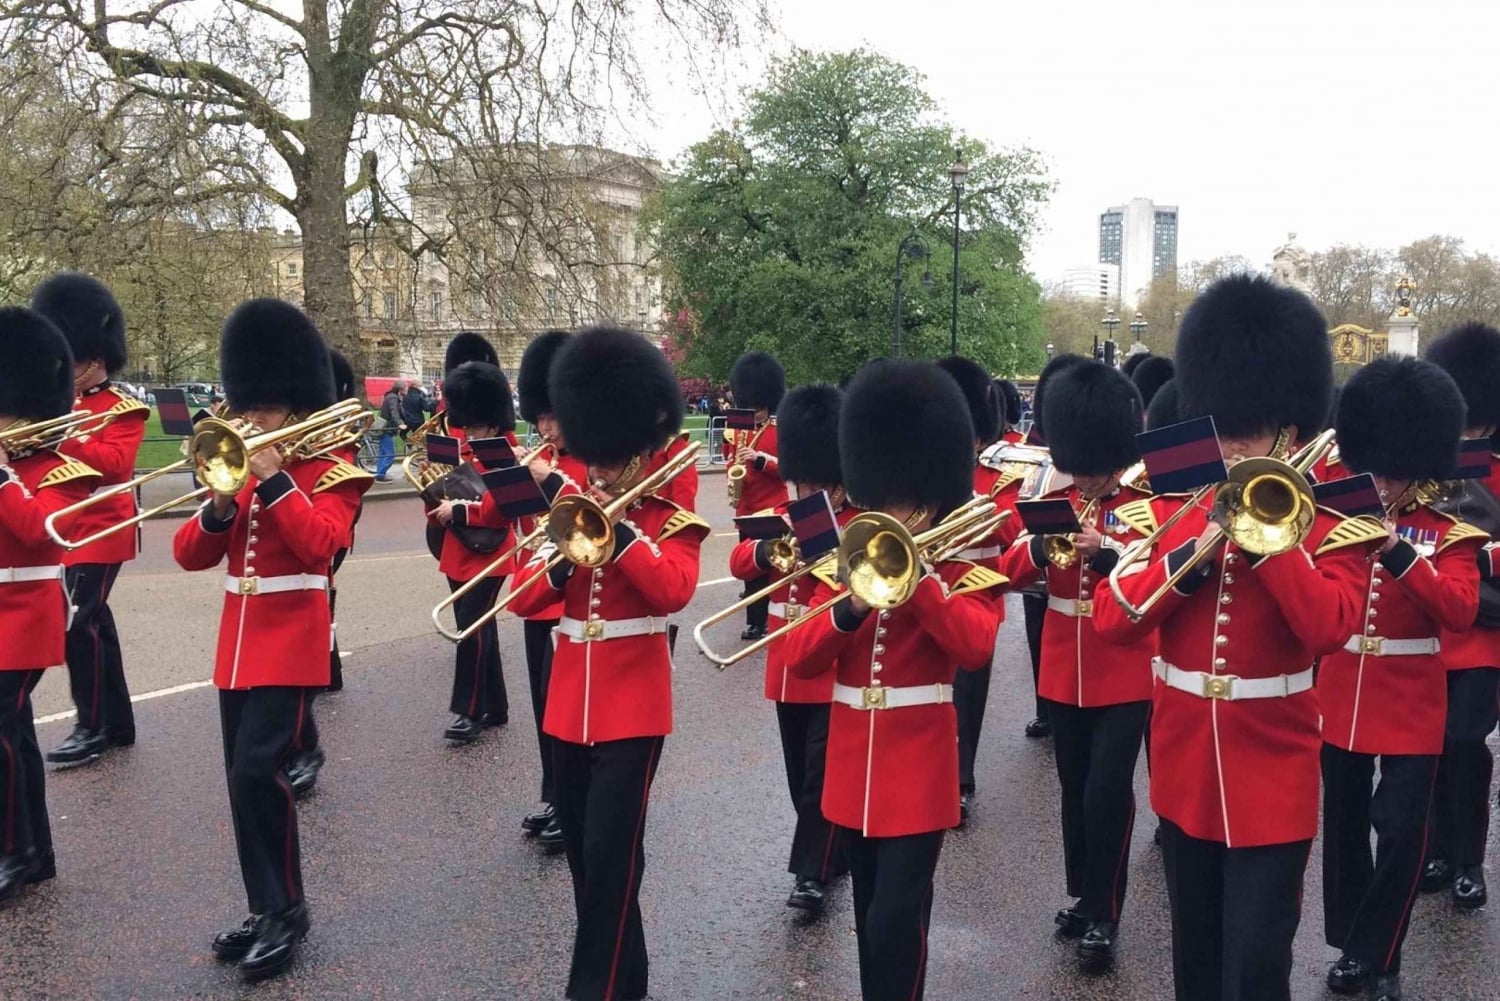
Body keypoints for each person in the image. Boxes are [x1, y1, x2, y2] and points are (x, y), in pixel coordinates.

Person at [1094, 274, 1385, 1001]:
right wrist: (1195, 553)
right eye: (1223, 428)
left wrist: (1268, 546)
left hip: (1274, 769)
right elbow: (1112, 617)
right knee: (1196, 964)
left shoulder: (1334, 515)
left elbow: (1328, 625)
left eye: (1249, 431)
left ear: (1289, 429)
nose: (1233, 446)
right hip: (1187, 765)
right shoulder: (1175, 508)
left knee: (1256, 967)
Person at [781, 359, 1005, 1001]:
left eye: (896, 503)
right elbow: (799, 655)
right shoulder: (848, 559)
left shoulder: (963, 559)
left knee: (898, 921)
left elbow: (974, 646)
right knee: (869, 920)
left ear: (929, 500)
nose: (882, 513)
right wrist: (848, 610)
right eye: (875, 499)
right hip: (853, 763)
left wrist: (923, 586)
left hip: (918, 762)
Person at [509, 325, 709, 1001]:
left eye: (604, 457)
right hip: (568, 702)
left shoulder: (668, 506)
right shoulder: (570, 503)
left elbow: (675, 588)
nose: (593, 468)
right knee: (592, 870)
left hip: (634, 702)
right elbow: (519, 595)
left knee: (612, 858)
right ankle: (630, 982)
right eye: (589, 455)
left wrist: (620, 536)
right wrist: (565, 554)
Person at [172, 299, 369, 980]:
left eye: (260, 407)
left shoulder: (337, 466)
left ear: (290, 405)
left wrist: (276, 476)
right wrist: (221, 504)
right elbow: (188, 555)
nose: (247, 417)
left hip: (292, 640)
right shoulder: (234, 464)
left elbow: (321, 547)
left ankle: (289, 909)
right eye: (245, 404)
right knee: (240, 780)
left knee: (261, 769)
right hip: (238, 645)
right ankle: (265, 905)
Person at [1319, 356, 1479, 1001]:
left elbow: (1460, 610)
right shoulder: (1333, 513)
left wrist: (1399, 551)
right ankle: (1352, 946)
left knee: (1404, 832)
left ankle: (1381, 951)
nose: (1382, 482)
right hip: (1342, 685)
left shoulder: (1450, 529)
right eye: (1375, 468)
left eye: (1393, 471)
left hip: (1413, 693)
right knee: (1345, 829)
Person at [998, 360, 1155, 971]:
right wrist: (1038, 548)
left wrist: (1109, 552)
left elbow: (1156, 569)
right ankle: (1085, 895)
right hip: (1065, 661)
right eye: (1079, 462)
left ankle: (1107, 910)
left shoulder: (1144, 506)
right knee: (1072, 788)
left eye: (1095, 463)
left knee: (1107, 790)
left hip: (1124, 663)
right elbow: (1010, 567)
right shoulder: (1052, 499)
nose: (1086, 474)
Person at [727, 383, 855, 915]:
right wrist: (767, 548)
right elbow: (738, 562)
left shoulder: (856, 521)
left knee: (818, 771)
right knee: (795, 768)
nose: (802, 487)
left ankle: (812, 872)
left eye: (812, 479)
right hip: (787, 657)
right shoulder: (787, 512)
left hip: (831, 657)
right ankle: (831, 851)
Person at [0, 307, 102, 902]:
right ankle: (31, 850)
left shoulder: (63, 469)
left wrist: (3, 480)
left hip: (26, 610)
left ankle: (16, 850)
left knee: (4, 726)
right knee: (12, 732)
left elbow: (43, 531)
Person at [30, 273, 149, 767]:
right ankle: (118, 722)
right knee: (95, 621)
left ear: (95, 361)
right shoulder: (50, 404)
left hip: (103, 527)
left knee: (76, 623)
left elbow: (115, 466)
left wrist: (65, 436)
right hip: (65, 527)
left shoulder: (123, 408)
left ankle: (91, 724)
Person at [1418, 321, 1500, 911]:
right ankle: (1438, 851)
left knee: (1465, 740)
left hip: (1482, 632)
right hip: (1424, 628)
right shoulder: (1422, 468)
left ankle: (1469, 858)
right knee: (1426, 745)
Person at [513, 329, 588, 853]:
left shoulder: (586, 463)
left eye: (553, 417)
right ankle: (555, 794)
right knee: (543, 708)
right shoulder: (541, 455)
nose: (545, 427)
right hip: (537, 595)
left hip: (571, 601)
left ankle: (571, 800)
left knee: (564, 710)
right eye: (539, 417)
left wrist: (553, 480)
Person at [284, 348, 364, 798]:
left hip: (321, 527)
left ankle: (305, 744)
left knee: (314, 614)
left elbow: (336, 476)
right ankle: (326, 669)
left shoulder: (333, 434)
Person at [429, 362, 517, 743]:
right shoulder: (458, 448)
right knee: (482, 629)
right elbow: (435, 502)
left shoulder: (508, 455)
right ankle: (495, 705)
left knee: (470, 629)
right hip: (457, 548)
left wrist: (461, 509)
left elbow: (507, 509)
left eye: (477, 426)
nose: (469, 431)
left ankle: (468, 711)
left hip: (491, 552)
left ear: (494, 425)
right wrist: (432, 483)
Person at [935, 355, 1005, 827]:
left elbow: (1010, 526)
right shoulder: (929, 480)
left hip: (976, 595)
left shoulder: (992, 483)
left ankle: (960, 780)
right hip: (929, 598)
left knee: (967, 694)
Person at [725, 351, 785, 640]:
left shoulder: (778, 431)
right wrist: (733, 470)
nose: (754, 412)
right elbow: (729, 460)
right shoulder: (737, 428)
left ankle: (766, 618)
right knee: (749, 569)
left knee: (768, 567)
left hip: (771, 510)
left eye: (759, 407)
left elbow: (788, 469)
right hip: (745, 510)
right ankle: (755, 620)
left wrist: (761, 459)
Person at [375, 379, 407, 481]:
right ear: (401, 389)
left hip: (383, 428)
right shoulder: (393, 398)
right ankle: (380, 474)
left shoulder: (390, 396)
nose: (407, 390)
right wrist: (400, 424)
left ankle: (379, 473)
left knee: (382, 453)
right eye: (406, 388)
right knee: (390, 454)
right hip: (387, 429)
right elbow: (394, 412)